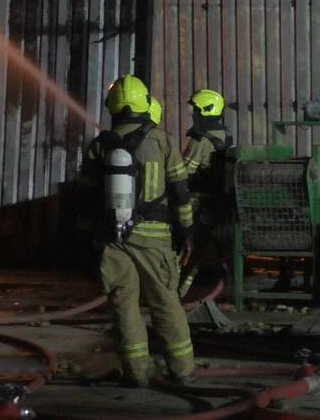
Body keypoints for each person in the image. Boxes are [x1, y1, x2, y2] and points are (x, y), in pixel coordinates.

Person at [78, 75, 195, 387]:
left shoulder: (100, 145)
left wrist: (91, 237)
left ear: (113, 107)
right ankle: (182, 371)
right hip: (154, 238)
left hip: (112, 239)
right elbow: (180, 191)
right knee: (166, 302)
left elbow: (85, 199)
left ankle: (136, 373)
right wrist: (186, 229)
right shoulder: (162, 141)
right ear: (145, 104)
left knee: (123, 305)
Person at [179, 89, 232, 296]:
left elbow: (183, 173)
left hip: (196, 202)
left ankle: (169, 290)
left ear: (205, 111)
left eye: (195, 110)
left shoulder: (200, 140)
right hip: (215, 203)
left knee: (180, 243)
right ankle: (180, 291)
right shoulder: (224, 135)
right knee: (199, 251)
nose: (192, 115)